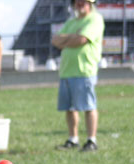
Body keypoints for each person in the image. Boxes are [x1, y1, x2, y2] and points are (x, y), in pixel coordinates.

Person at [52, 0, 104, 152]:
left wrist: (66, 39)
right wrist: (73, 37)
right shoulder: (71, 22)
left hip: (84, 70)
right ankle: (73, 139)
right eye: (77, 1)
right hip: (66, 71)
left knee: (89, 106)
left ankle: (91, 140)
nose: (79, 3)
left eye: (83, 1)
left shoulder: (95, 19)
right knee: (69, 108)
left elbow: (82, 40)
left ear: (90, 3)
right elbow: (55, 40)